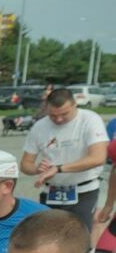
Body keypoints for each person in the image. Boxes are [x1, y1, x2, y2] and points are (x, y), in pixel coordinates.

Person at [19, 87, 110, 231]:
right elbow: (25, 164)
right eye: (53, 115)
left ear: (75, 105)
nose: (58, 119)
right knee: (49, 236)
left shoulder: (90, 119)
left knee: (79, 235)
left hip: (83, 190)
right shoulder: (39, 126)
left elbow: (98, 157)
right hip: (51, 192)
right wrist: (37, 169)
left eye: (64, 114)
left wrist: (58, 168)